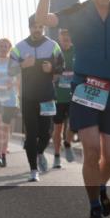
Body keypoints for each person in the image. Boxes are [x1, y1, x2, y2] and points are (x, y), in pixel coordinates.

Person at [35, 0, 110, 218]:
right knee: (92, 151)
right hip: (85, 88)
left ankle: (99, 186)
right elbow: (43, 20)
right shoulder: (78, 11)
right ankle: (94, 206)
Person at [11, 15, 65, 181]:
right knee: (32, 133)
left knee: (46, 133)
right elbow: (9, 70)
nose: (37, 30)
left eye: (40, 27)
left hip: (47, 97)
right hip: (27, 97)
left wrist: (52, 68)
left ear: (44, 28)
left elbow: (61, 67)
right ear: (29, 27)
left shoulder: (53, 46)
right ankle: (33, 170)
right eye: (34, 27)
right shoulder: (19, 48)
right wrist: (21, 65)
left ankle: (39, 151)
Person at [0, 38, 19, 168]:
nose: (3, 48)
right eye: (1, 46)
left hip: (10, 99)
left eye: (6, 46)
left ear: (10, 48)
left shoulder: (13, 64)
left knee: (5, 129)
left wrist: (12, 83)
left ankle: (3, 154)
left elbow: (19, 81)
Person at [53, 28, 75, 167]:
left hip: (74, 96)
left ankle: (67, 143)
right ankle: (56, 156)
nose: (65, 40)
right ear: (59, 39)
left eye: (68, 37)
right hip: (58, 97)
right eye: (63, 38)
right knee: (58, 128)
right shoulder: (55, 53)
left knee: (74, 124)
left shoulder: (78, 51)